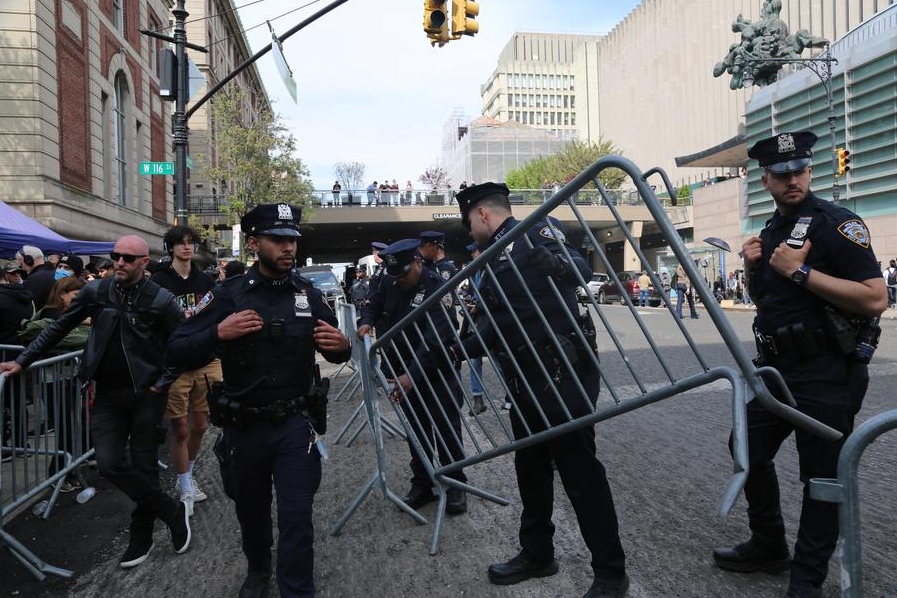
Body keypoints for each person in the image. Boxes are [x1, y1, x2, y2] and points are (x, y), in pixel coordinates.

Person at [713, 132, 887, 598]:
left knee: (822, 477)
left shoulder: (836, 223)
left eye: (800, 171)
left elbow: (876, 298)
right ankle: (769, 545)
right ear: (765, 179)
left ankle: (806, 582)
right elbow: (770, 300)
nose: (793, 180)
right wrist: (754, 270)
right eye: (782, 174)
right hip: (777, 371)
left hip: (826, 372)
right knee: (744, 447)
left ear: (810, 172)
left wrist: (801, 271)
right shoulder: (771, 232)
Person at [453, 182, 629, 598]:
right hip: (525, 379)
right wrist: (455, 347)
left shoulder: (534, 229)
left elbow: (579, 270)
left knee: (580, 471)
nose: (469, 232)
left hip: (562, 372)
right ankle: (537, 553)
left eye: (468, 222)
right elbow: (494, 323)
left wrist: (547, 259)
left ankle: (610, 571)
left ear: (481, 215)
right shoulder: (491, 257)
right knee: (530, 468)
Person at [167, 203, 351, 598]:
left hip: (295, 425)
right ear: (253, 243)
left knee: (297, 516)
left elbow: (335, 348)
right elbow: (177, 349)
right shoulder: (226, 296)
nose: (289, 248)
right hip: (244, 427)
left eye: (292, 240)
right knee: (250, 511)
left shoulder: (307, 293)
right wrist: (219, 332)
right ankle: (258, 569)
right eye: (278, 240)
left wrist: (344, 346)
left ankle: (297, 589)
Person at [0, 235, 191, 568]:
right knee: (108, 463)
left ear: (144, 262)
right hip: (107, 394)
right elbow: (59, 327)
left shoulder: (161, 300)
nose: (119, 262)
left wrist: (162, 383)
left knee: (145, 469)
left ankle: (140, 535)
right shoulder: (95, 292)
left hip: (147, 396)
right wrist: (23, 360)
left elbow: (183, 345)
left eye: (128, 258)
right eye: (116, 256)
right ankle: (171, 510)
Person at [356, 239, 468, 514]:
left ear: (418, 261)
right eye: (396, 276)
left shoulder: (437, 285)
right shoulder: (390, 279)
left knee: (445, 428)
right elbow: (373, 302)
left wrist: (411, 376)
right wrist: (365, 322)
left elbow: (433, 339)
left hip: (435, 369)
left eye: (404, 274)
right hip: (401, 368)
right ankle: (422, 484)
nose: (401, 281)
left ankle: (455, 485)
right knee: (415, 430)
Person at [151, 225, 222, 517]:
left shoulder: (204, 279)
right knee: (179, 428)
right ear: (170, 248)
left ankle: (188, 474)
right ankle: (183, 485)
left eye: (191, 242)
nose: (187, 247)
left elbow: (216, 312)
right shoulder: (158, 280)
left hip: (205, 359)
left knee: (202, 425)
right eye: (181, 243)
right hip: (174, 363)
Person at [460, 241, 487, 415]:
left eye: (474, 251)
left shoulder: (490, 269)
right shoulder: (475, 271)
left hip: (489, 322)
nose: (472, 255)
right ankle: (478, 398)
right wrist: (469, 300)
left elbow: (496, 296)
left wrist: (479, 306)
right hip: (475, 321)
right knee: (474, 360)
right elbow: (473, 292)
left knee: (499, 360)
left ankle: (511, 397)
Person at [16, 245, 56, 310]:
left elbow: (29, 308)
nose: (22, 268)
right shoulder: (55, 273)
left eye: (22, 264)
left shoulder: (33, 279)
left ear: (28, 260)